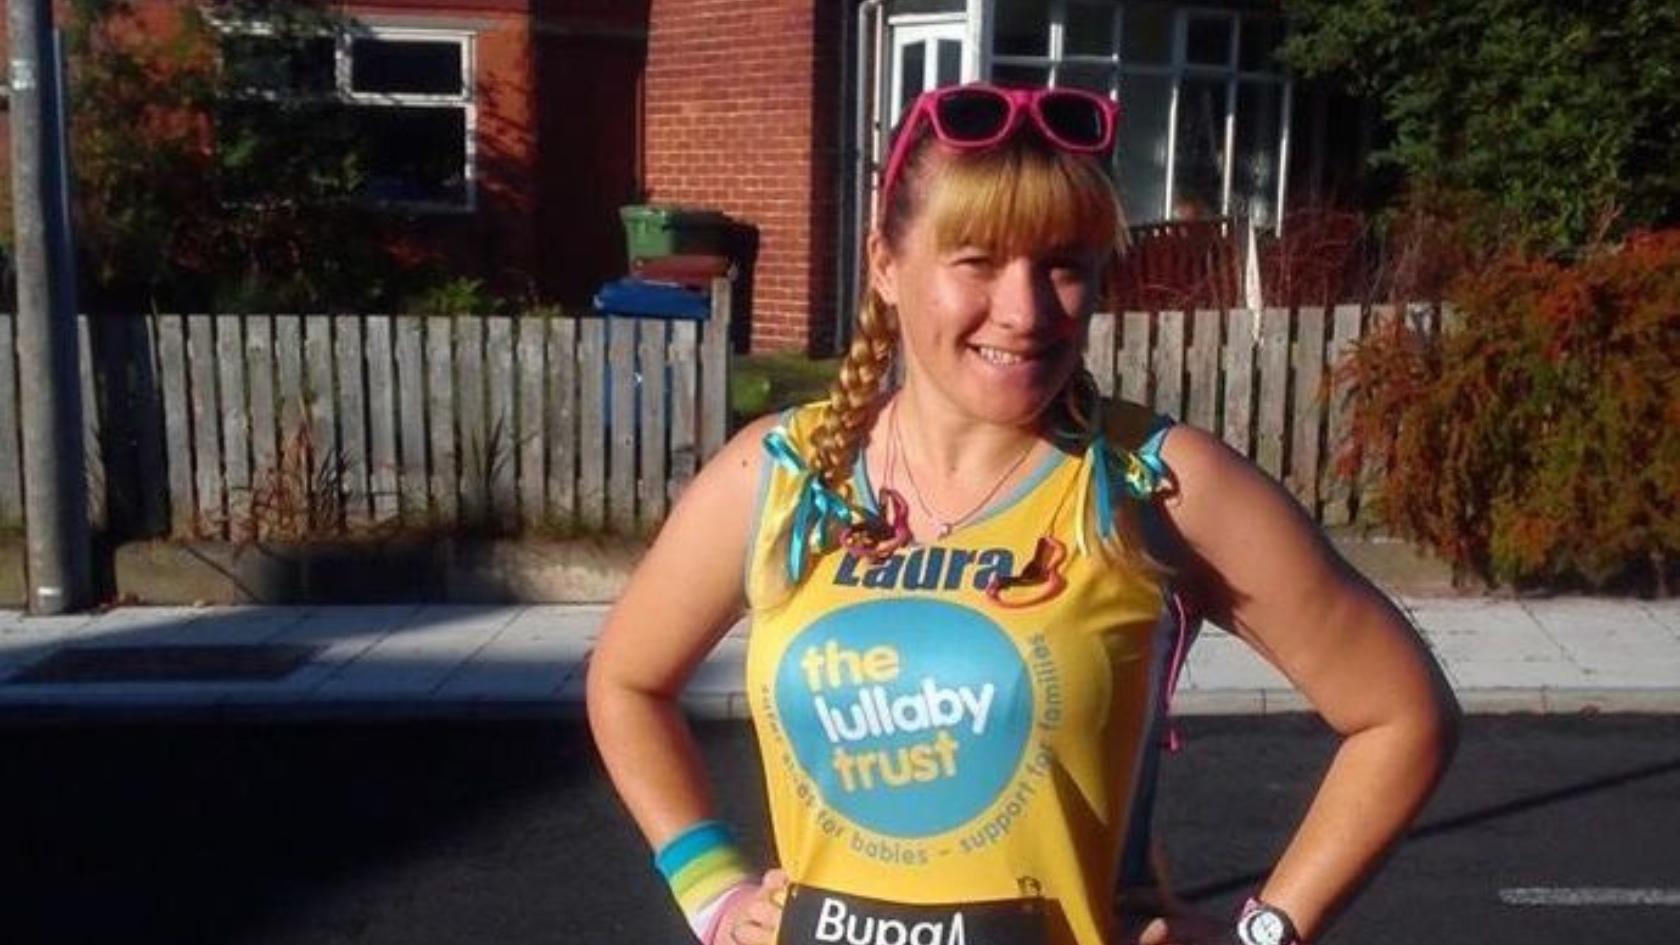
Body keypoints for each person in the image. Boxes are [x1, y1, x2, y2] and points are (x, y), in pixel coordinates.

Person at [587, 82, 1458, 945]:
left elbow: (1401, 713)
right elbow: (626, 683)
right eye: (977, 261)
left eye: (1063, 265)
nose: (1026, 310)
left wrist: (1262, 934)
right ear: (885, 264)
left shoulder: (1155, 482)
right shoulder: (782, 474)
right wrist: (713, 890)